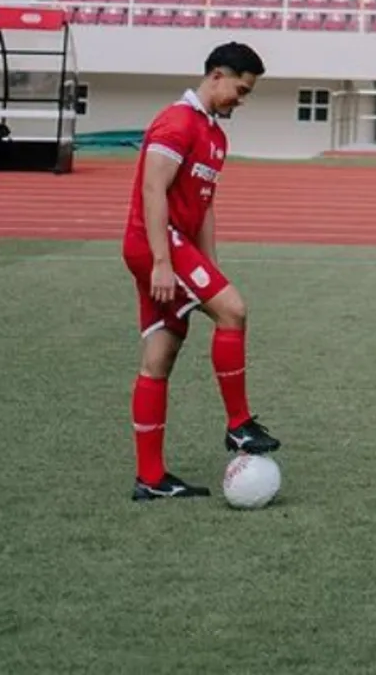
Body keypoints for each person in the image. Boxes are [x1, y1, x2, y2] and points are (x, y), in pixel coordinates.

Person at [123, 43, 281, 501]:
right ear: (216, 75)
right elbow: (153, 188)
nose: (241, 100)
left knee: (159, 359)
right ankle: (238, 426)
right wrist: (160, 261)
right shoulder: (177, 121)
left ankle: (150, 479)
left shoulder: (215, 135)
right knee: (234, 311)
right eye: (240, 89)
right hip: (156, 243)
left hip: (176, 247)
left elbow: (205, 209)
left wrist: (208, 265)